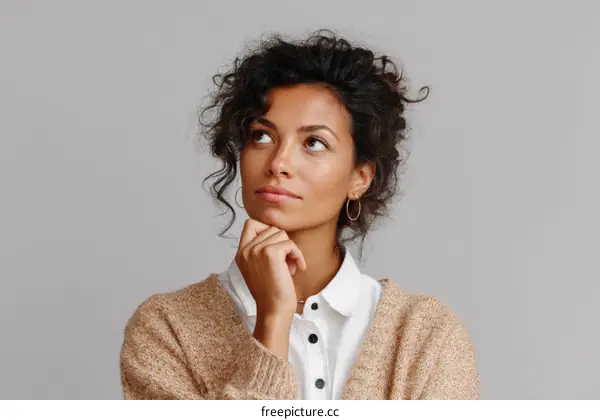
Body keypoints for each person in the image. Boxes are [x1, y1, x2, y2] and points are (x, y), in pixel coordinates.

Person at [119, 29, 480, 400]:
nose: (278, 162)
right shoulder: (167, 328)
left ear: (360, 177)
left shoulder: (426, 336)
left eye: (314, 143)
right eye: (261, 136)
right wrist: (273, 320)